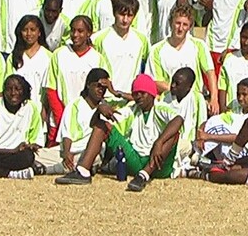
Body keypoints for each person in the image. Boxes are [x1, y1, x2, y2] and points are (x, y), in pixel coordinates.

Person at [55, 74, 184, 192]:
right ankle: (83, 171)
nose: (138, 96)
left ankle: (144, 176)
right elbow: (94, 124)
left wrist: (159, 142)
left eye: (142, 93)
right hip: (136, 159)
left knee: (174, 135)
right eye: (135, 93)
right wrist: (99, 110)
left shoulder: (160, 108)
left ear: (151, 94)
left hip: (158, 163)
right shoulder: (132, 109)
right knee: (102, 126)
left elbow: (179, 119)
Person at [146, 5, 219, 114]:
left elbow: (210, 73)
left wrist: (214, 99)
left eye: (185, 25)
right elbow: (154, 81)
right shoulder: (156, 50)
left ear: (190, 27)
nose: (180, 28)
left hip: (194, 104)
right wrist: (179, 90)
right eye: (178, 23)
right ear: (171, 23)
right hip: (168, 104)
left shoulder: (199, 45)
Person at [36, 68, 108, 176]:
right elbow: (66, 133)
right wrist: (67, 153)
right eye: (98, 86)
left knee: (96, 156)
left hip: (89, 152)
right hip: (69, 149)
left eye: (104, 88)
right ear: (88, 85)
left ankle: (48, 170)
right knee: (37, 155)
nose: (101, 90)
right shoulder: (75, 105)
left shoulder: (106, 107)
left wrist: (115, 93)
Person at [46, 15, 104, 145]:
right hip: (59, 117)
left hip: (86, 119)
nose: (75, 34)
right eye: (73, 30)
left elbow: (101, 90)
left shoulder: (97, 58)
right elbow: (51, 88)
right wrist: (61, 116)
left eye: (80, 31)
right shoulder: (59, 54)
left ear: (89, 33)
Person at [91, 0, 149, 106]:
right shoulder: (98, 39)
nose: (125, 20)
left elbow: (146, 70)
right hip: (106, 100)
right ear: (114, 13)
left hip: (131, 101)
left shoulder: (142, 40)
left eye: (130, 15)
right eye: (122, 14)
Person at [5, 15, 52, 135]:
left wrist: (45, 111)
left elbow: (49, 89)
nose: (28, 34)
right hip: (17, 113)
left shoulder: (48, 57)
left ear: (39, 32)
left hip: (39, 111)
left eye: (32, 30)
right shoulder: (14, 57)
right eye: (25, 30)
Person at [160, 67, 208, 175]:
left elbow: (202, 124)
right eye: (172, 81)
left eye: (177, 83)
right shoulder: (164, 96)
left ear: (189, 87)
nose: (172, 85)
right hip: (166, 140)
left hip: (188, 144)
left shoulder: (197, 98)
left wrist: (199, 142)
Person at [217, 22, 248, 111]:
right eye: (244, 37)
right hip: (231, 110)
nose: (246, 42)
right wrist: (222, 107)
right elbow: (223, 84)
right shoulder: (230, 58)